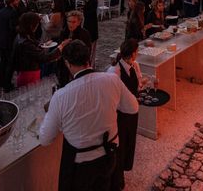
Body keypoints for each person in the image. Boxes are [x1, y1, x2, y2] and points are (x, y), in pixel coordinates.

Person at [39, 40, 139, 191]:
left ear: (67, 63)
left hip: (81, 165)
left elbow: (45, 139)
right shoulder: (112, 80)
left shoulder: (60, 96)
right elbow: (133, 107)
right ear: (89, 59)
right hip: (109, 156)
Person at [107, 39, 145, 191]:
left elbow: (139, 84)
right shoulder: (114, 72)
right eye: (137, 51)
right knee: (119, 146)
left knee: (129, 143)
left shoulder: (135, 65)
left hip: (132, 113)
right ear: (133, 53)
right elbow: (111, 97)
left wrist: (143, 85)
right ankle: (116, 180)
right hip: (119, 116)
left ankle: (122, 172)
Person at [12, 13, 69, 88]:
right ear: (31, 25)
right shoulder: (25, 42)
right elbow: (44, 58)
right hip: (29, 73)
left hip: (27, 71)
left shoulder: (22, 35)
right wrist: (61, 47)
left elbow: (33, 48)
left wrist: (43, 45)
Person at [58, 11, 92, 87]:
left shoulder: (84, 34)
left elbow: (88, 51)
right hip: (65, 65)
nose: (71, 24)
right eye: (69, 21)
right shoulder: (63, 32)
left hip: (79, 65)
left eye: (73, 22)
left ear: (79, 22)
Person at [0, 0, 20, 89]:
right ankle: (7, 85)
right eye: (17, 0)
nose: (18, 2)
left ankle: (1, 82)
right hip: (8, 41)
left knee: (3, 62)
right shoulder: (13, 12)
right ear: (12, 2)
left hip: (0, 39)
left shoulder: (1, 10)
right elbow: (12, 28)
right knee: (10, 64)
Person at [83, 0, 99, 68]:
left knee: (91, 44)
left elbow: (89, 12)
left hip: (91, 24)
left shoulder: (92, 0)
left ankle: (91, 64)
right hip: (89, 22)